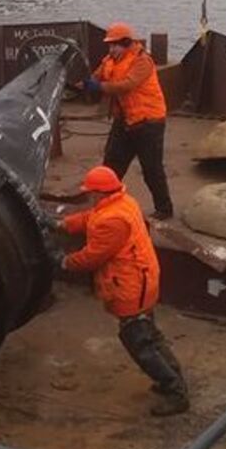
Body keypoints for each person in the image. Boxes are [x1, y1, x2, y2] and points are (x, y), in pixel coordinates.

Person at [56, 165, 190, 416]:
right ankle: (172, 378)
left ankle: (175, 392)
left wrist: (64, 262)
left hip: (130, 287)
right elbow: (89, 218)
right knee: (149, 334)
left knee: (138, 341)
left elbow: (93, 256)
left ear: (100, 193)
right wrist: (64, 224)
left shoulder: (112, 220)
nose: (88, 197)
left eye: (90, 193)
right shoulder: (122, 202)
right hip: (141, 280)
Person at [83, 21, 173, 220]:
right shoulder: (110, 59)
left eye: (114, 45)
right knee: (111, 164)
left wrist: (99, 87)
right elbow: (96, 76)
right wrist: (83, 83)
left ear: (126, 43)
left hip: (148, 122)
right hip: (124, 120)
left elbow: (127, 85)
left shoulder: (142, 61)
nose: (111, 48)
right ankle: (107, 201)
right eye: (110, 45)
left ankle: (164, 209)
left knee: (151, 168)